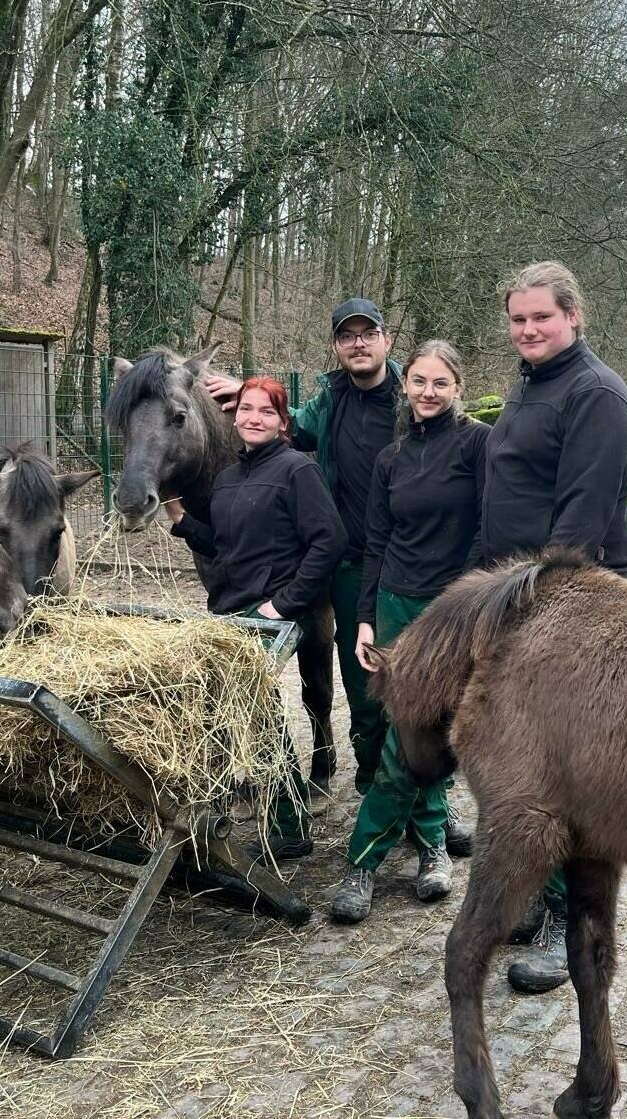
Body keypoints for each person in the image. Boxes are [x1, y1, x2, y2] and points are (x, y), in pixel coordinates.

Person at [206, 300, 475, 855]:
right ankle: (378, 792)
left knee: (411, 695)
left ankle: (429, 806)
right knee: (365, 696)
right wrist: (248, 399)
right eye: (346, 336)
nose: (358, 344)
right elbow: (285, 428)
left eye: (367, 334)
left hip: (411, 573)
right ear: (336, 346)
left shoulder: (413, 396)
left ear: (385, 338)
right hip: (347, 564)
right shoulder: (327, 401)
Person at [480, 260, 627, 993]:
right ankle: (532, 897)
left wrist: (531, 610)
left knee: (567, 777)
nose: (528, 330)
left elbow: (578, 532)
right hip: (522, 602)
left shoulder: (597, 396)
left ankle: (565, 924)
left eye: (541, 317)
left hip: (572, 611)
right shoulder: (531, 385)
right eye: (517, 320)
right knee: (526, 769)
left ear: (575, 317)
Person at [329, 341, 489, 922]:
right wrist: (367, 614)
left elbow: (482, 531)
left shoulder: (477, 446)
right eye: (419, 381)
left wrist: (465, 602)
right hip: (395, 603)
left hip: (449, 610)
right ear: (406, 385)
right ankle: (432, 848)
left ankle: (363, 862)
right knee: (408, 731)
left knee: (416, 740)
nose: (427, 392)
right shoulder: (390, 460)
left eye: (439, 383)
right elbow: (377, 541)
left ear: (457, 389)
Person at [168, 377, 345, 861]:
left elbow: (329, 541)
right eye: (246, 409)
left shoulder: (296, 471)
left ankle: (290, 825)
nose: (254, 418)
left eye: (267, 412)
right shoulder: (228, 479)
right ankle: (223, 809)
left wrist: (285, 603)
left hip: (283, 612)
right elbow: (226, 548)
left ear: (283, 423)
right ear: (235, 416)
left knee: (252, 705)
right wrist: (183, 521)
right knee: (212, 698)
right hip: (235, 610)